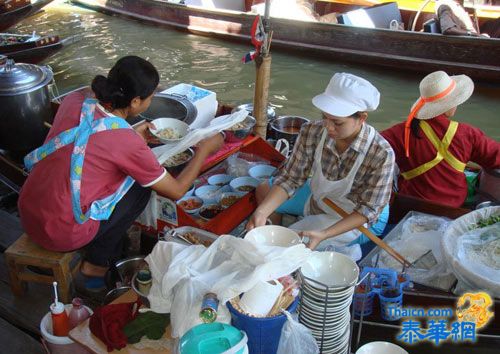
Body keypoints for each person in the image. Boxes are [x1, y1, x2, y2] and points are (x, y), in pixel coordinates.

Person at [18, 56, 223, 292]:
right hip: (61, 233)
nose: (151, 100)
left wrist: (133, 134)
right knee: (140, 189)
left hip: (29, 211)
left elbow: (90, 138)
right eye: (150, 96)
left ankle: (103, 248)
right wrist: (204, 150)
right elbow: (176, 191)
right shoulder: (124, 141)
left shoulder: (77, 98)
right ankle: (96, 264)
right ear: (135, 102)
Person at [247, 73, 395, 254]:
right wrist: (262, 213)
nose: (328, 127)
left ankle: (308, 232)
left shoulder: (381, 154)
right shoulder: (312, 131)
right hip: (323, 199)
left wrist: (324, 234)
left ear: (362, 118)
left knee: (291, 247)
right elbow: (291, 178)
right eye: (325, 117)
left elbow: (368, 211)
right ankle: (279, 227)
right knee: (263, 191)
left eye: (337, 123)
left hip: (358, 217)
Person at [381, 71, 500, 208]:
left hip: (411, 204)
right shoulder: (467, 133)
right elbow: (496, 156)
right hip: (454, 206)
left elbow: (373, 149)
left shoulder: (400, 132)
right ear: (448, 105)